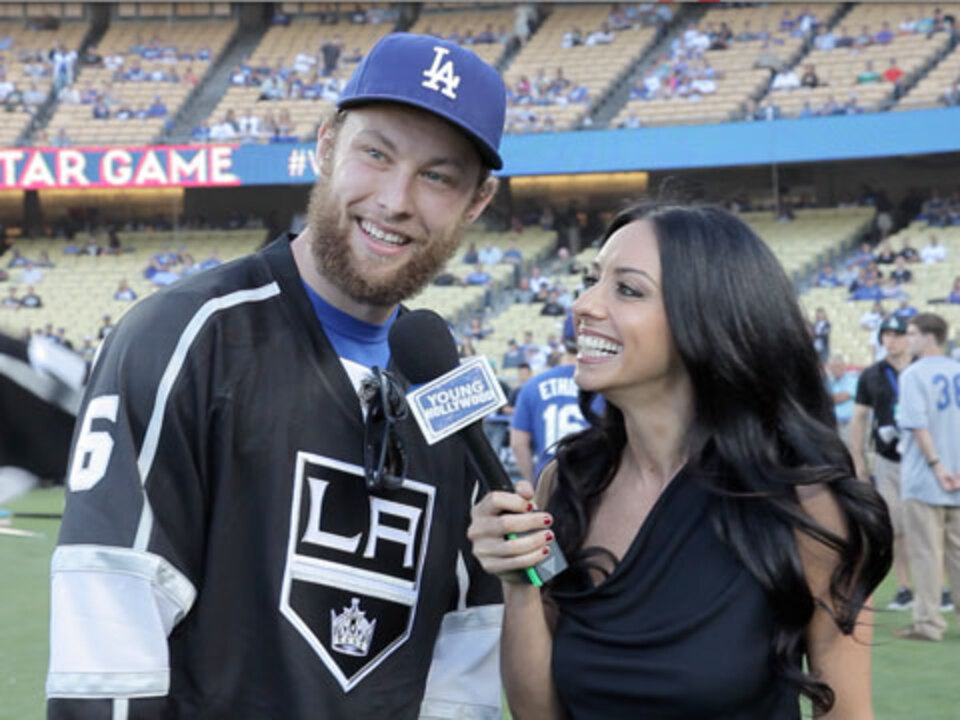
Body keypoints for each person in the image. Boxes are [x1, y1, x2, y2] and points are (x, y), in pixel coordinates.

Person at [47, 33, 507, 719]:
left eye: (438, 176)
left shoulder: (445, 385)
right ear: (325, 146)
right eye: (375, 153)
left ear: (477, 202)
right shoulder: (188, 337)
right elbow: (108, 636)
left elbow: (462, 656)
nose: (396, 199)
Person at [468, 204, 891, 718]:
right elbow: (540, 713)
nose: (582, 304)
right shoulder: (569, 483)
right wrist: (519, 586)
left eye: (627, 289)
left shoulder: (808, 507)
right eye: (591, 280)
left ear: (708, 319)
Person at [895, 313, 960, 641]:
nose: (909, 340)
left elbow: (918, 424)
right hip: (958, 476)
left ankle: (928, 623)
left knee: (925, 552)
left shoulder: (913, 374)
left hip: (926, 477)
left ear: (930, 337)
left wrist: (937, 465)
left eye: (912, 334)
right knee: (958, 552)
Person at [850, 314, 914, 609]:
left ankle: (940, 587)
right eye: (886, 334)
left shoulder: (920, 369)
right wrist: (858, 458)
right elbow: (860, 417)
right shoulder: (872, 374)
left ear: (908, 337)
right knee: (897, 526)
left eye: (897, 334)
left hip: (923, 459)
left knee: (932, 526)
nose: (891, 340)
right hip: (888, 460)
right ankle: (904, 587)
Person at [510, 338, 587, 486]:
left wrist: (533, 481)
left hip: (548, 478)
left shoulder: (532, 385)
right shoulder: (600, 385)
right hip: (593, 478)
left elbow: (518, 444)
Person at [825, 354, 858, 445]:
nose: (834, 369)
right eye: (832, 367)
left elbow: (841, 398)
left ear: (844, 366)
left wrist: (824, 399)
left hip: (848, 425)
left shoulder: (852, 380)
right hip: (833, 424)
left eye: (837, 366)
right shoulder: (828, 381)